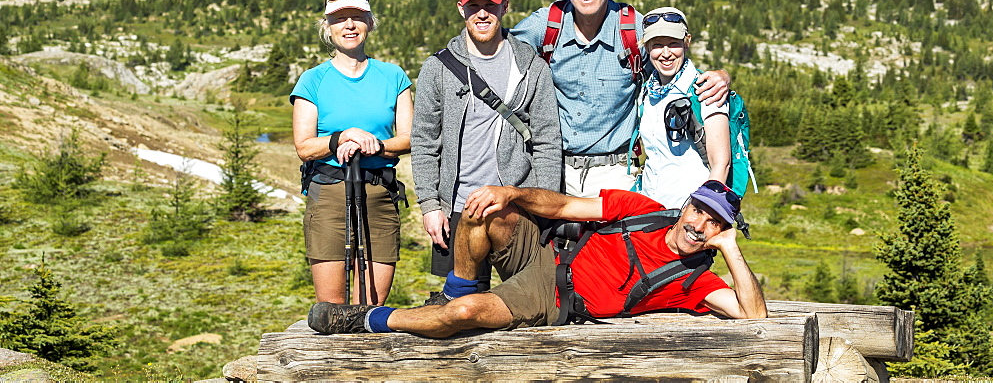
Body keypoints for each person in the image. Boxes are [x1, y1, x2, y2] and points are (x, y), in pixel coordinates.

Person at [306, 180, 766, 336]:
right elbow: (565, 207)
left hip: (552, 298)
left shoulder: (694, 281)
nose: (699, 225)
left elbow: (752, 315)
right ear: (685, 205)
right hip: (550, 253)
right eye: (697, 211)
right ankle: (451, 291)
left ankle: (366, 319)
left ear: (720, 232)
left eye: (714, 224)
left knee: (464, 315)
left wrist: (729, 250)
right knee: (483, 208)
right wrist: (512, 194)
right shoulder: (643, 210)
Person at [510, 0, 730, 197]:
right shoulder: (545, 25)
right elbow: (497, 53)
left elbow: (672, 66)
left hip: (617, 175)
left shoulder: (633, 28)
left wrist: (722, 76)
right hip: (554, 171)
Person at [412, 0, 562, 292]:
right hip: (458, 210)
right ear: (460, 8)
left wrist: (544, 205)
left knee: (530, 304)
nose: (482, 14)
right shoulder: (436, 68)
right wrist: (430, 206)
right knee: (462, 310)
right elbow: (424, 142)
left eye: (490, 5)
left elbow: (548, 139)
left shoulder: (532, 66)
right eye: (473, 5)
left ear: (505, 7)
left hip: (517, 208)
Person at [290, 0, 413, 305]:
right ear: (327, 28)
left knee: (370, 309)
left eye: (357, 17)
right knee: (331, 308)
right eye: (340, 19)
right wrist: (340, 138)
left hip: (379, 194)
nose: (349, 25)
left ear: (370, 23)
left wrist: (369, 144)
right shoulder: (312, 80)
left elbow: (409, 138)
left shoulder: (394, 76)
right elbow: (304, 147)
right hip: (328, 193)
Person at [637, 6, 730, 209]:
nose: (666, 53)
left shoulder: (706, 89)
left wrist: (701, 213)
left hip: (688, 211)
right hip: (649, 209)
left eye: (673, 44)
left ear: (686, 42)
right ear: (647, 48)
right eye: (658, 45)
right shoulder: (647, 91)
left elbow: (720, 165)